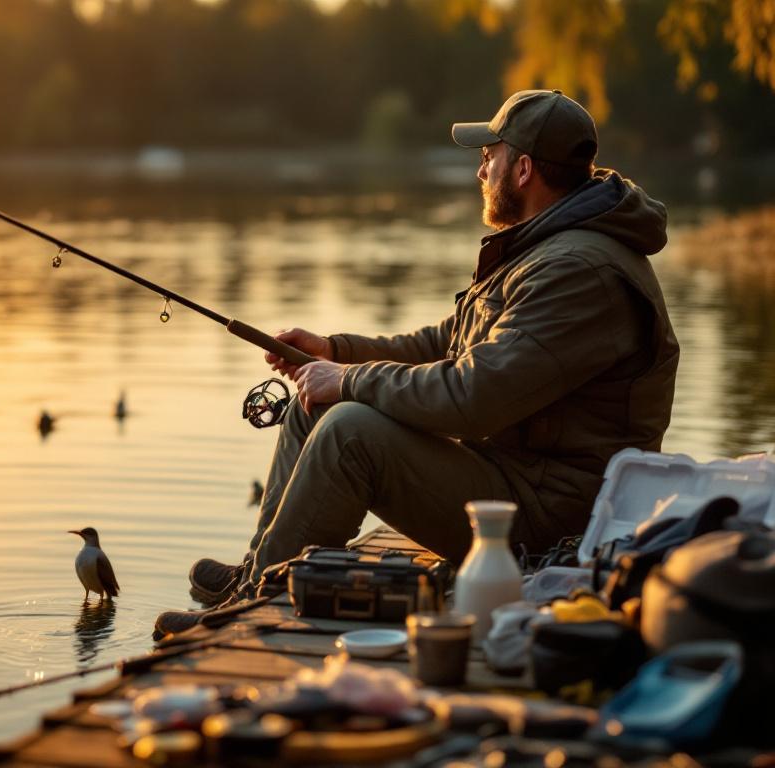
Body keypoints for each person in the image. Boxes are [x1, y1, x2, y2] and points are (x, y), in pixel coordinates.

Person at [156, 89, 679, 638]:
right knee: (316, 406)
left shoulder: (577, 271)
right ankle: (258, 573)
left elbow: (473, 398)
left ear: (523, 169)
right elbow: (449, 342)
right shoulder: (548, 246)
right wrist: (337, 352)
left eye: (490, 154)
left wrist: (350, 381)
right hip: (515, 478)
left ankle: (255, 610)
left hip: (552, 516)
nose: (481, 168)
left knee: (349, 430)